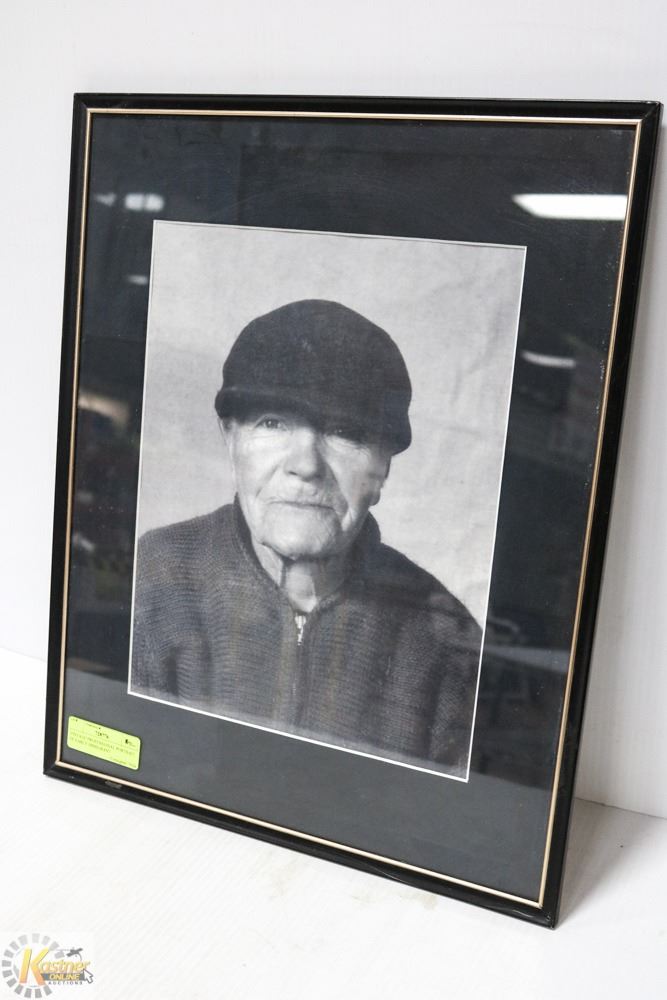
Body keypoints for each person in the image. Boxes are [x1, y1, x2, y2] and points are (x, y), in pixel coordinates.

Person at [130, 299, 481, 777]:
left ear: (383, 467)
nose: (306, 465)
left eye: (346, 432)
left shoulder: (447, 639)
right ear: (230, 440)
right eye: (273, 423)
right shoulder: (152, 578)